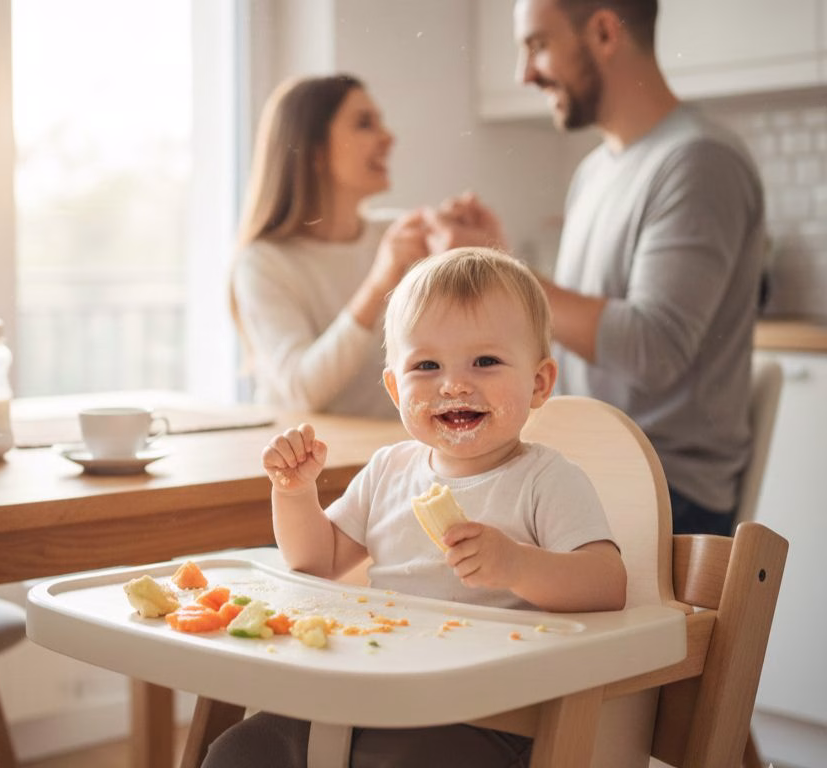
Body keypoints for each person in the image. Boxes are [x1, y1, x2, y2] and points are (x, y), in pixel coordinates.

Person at [202, 248, 627, 768]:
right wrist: (295, 494)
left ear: (538, 383)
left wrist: (518, 565)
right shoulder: (389, 471)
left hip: (490, 713)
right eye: (426, 365)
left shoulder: (544, 479)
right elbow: (317, 560)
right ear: (394, 386)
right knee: (241, 750)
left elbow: (607, 582)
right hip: (373, 684)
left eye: (485, 361)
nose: (453, 384)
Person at [433, 0, 767, 535]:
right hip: (587, 470)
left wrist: (503, 270)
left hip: (660, 493)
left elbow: (652, 349)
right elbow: (570, 331)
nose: (525, 73)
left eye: (538, 45)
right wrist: (495, 259)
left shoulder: (698, 162)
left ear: (606, 33)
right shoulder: (595, 171)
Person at [230, 73, 432, 420]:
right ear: (315, 151)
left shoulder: (400, 235)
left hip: (396, 461)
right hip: (308, 467)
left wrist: (478, 250)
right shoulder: (263, 263)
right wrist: (379, 283)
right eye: (365, 124)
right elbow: (303, 390)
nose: (388, 138)